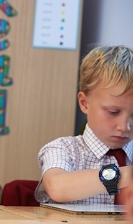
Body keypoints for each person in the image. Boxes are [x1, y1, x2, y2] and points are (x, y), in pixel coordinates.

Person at [35, 45, 133, 205]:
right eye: (113, 112)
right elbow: (57, 187)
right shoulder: (63, 149)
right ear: (84, 103)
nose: (124, 126)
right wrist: (127, 175)